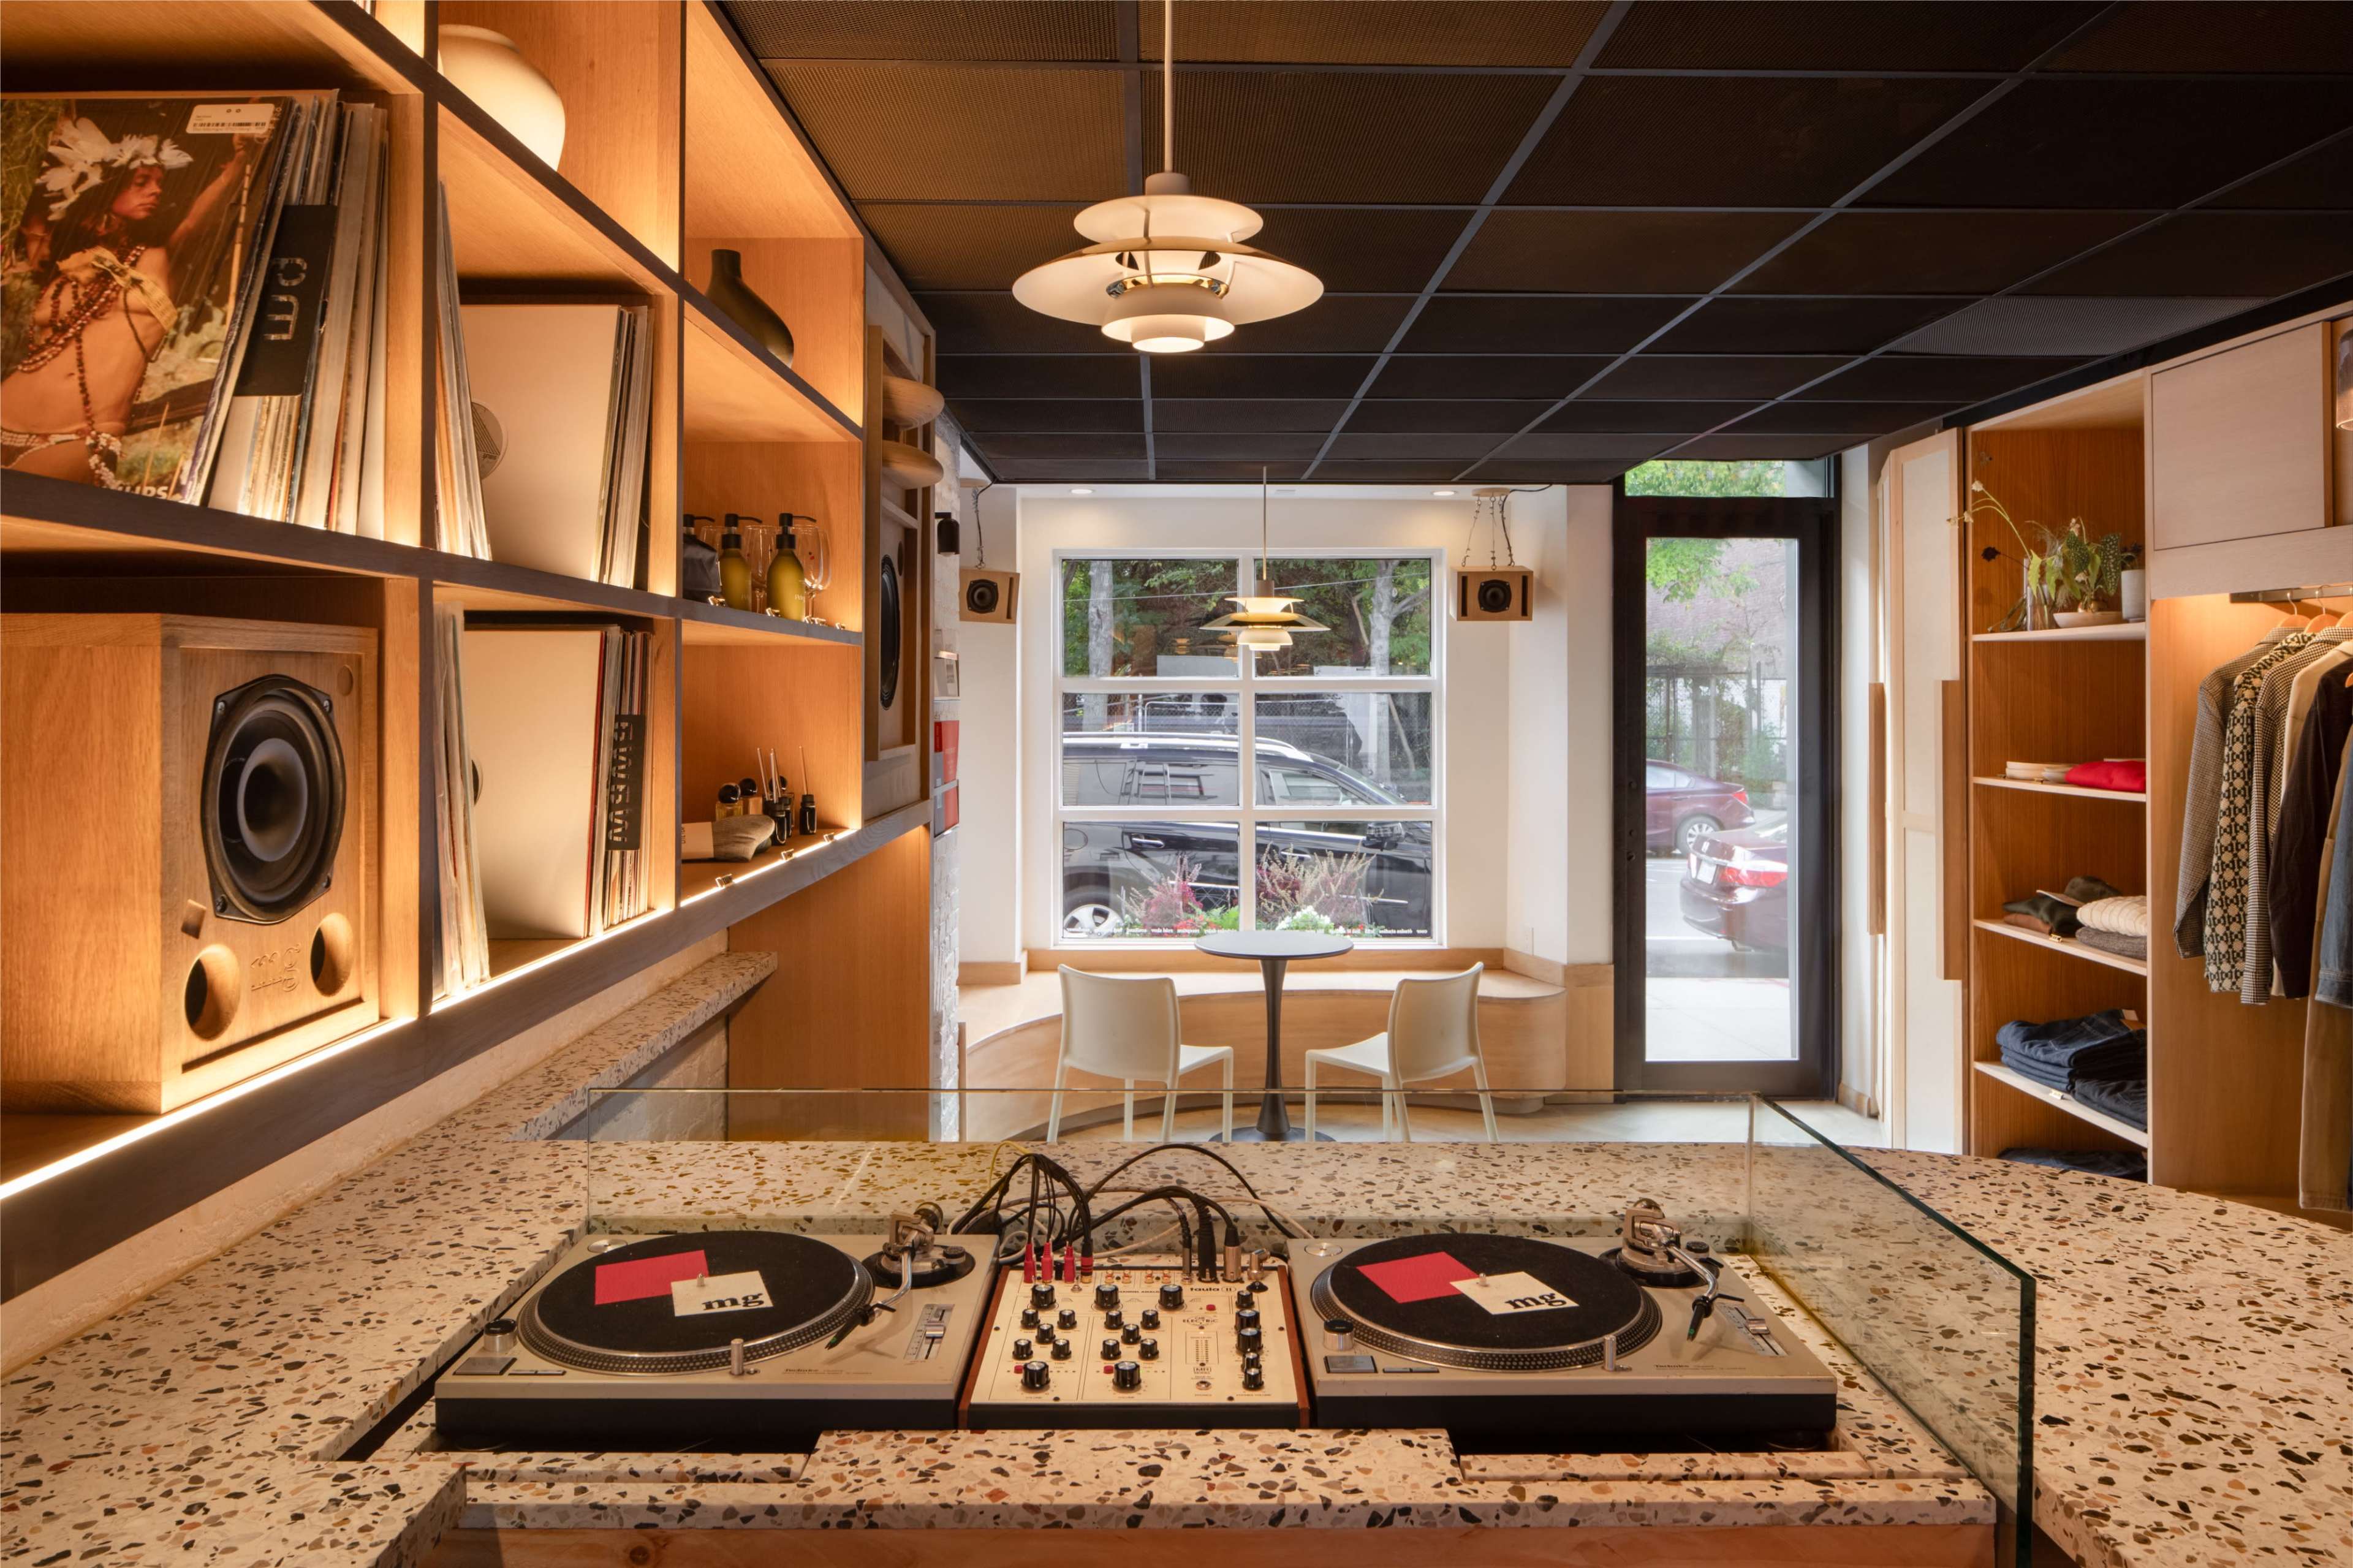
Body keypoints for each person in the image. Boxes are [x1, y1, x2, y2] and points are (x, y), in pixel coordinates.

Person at [2, 112, 259, 487]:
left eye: (159, 183)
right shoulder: (60, 262)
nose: (156, 191)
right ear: (107, 186)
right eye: (142, 182)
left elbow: (195, 223)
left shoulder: (156, 257)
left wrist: (240, 162)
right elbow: (33, 214)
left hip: (76, 434)